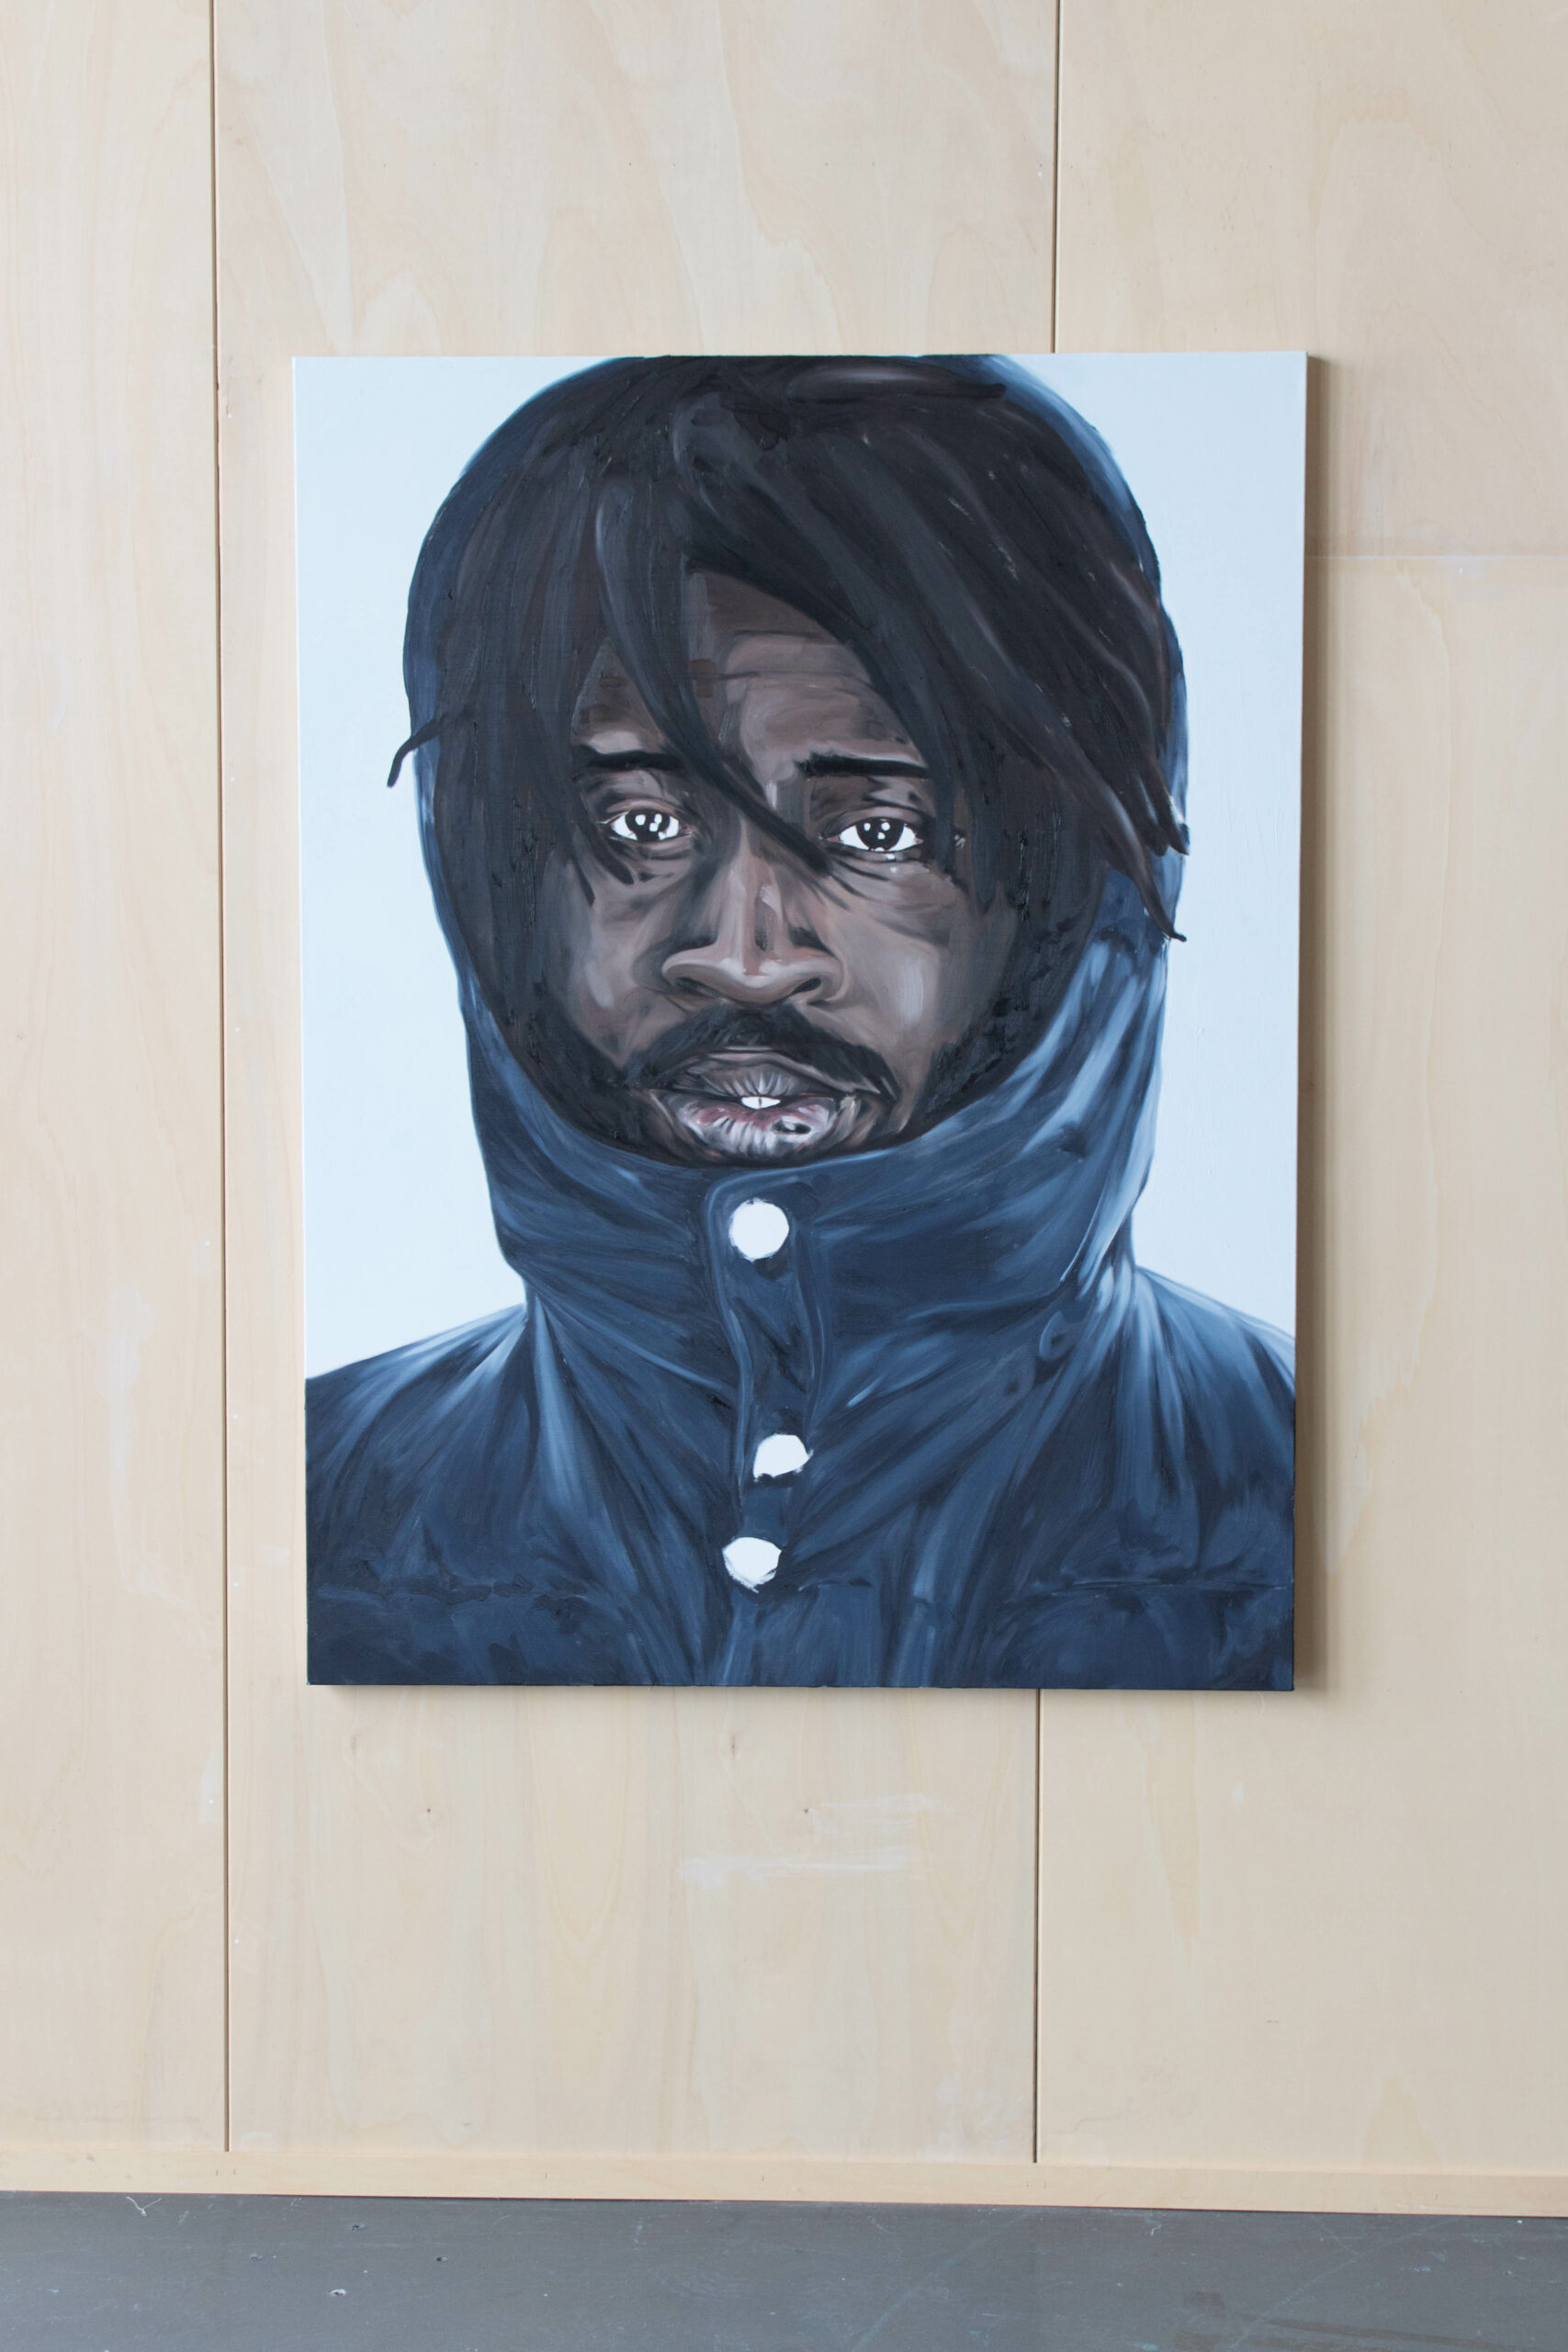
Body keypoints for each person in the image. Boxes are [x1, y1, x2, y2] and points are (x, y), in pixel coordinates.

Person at [306, 355, 1294, 1690]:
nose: (746, 958)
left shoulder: (1314, 1502)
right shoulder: (316, 1511)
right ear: (492, 868)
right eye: (640, 823)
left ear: (1069, 888)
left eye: (879, 832)